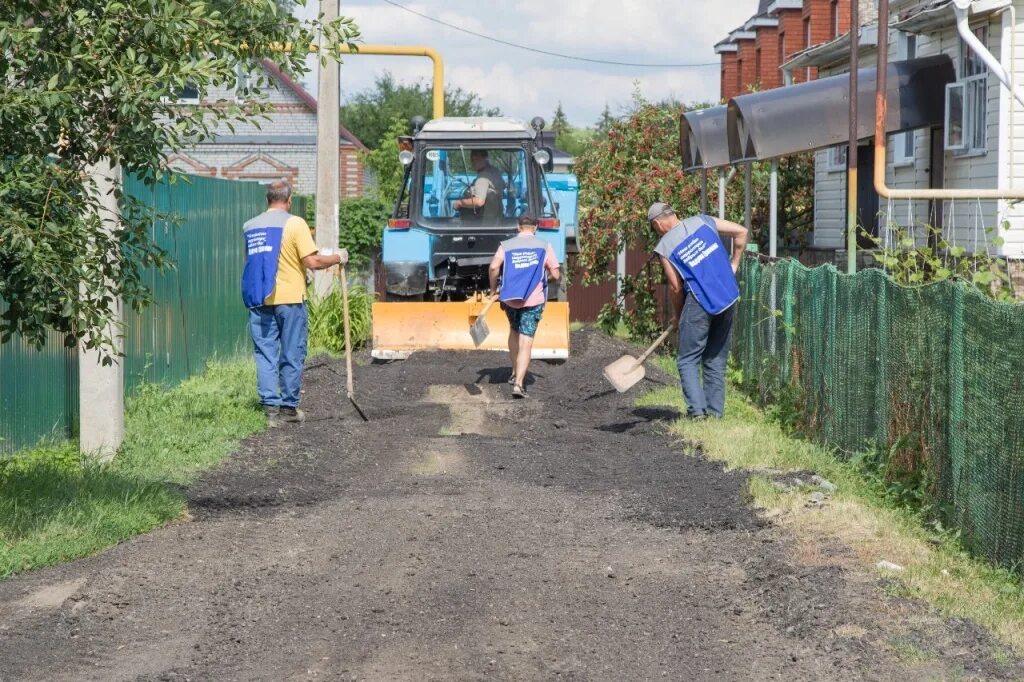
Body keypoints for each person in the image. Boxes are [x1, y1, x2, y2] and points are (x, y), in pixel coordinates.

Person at [241, 180, 346, 425]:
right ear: (288, 200)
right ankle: (288, 409)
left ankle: (270, 410)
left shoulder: (250, 226)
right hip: (290, 299)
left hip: (259, 298)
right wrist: (337, 257)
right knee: (291, 352)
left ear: (267, 199)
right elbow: (312, 262)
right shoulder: (295, 223)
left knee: (265, 354)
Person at [649, 202, 748, 419]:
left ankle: (697, 414)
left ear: (657, 223)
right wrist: (734, 264)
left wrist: (678, 314)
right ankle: (714, 414)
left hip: (700, 301)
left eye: (654, 228)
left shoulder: (665, 246)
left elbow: (675, 287)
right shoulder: (704, 221)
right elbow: (742, 232)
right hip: (727, 295)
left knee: (687, 359)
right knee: (715, 358)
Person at [488, 213, 560, 399]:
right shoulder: (545, 246)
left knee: (513, 330)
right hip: (533, 300)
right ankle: (519, 384)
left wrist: (493, 290)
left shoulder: (507, 245)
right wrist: (545, 279)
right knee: (526, 339)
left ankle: (514, 371)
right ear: (535, 227)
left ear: (518, 226)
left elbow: (494, 267)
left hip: (510, 298)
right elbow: (556, 275)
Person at [453, 149, 506, 222]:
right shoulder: (495, 172)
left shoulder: (482, 178)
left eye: (477, 159)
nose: (474, 162)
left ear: (485, 159)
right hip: (498, 219)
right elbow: (503, 186)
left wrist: (459, 203)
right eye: (472, 160)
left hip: (482, 222)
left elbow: (479, 201)